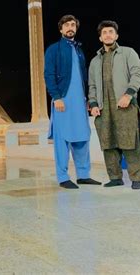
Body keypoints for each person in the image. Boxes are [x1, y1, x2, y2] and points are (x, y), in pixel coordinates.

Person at [44, 14, 101, 189]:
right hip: (63, 100)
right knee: (63, 139)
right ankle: (63, 177)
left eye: (73, 25)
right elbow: (49, 75)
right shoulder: (54, 49)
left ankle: (83, 175)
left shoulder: (79, 50)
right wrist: (57, 97)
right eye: (67, 25)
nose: (70, 28)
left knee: (82, 137)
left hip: (79, 101)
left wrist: (87, 100)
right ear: (61, 29)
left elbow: (83, 77)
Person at [88, 20, 140, 190]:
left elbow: (138, 74)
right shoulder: (94, 62)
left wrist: (129, 94)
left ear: (116, 35)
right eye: (104, 32)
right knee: (108, 143)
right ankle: (115, 177)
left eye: (111, 32)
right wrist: (93, 104)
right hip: (104, 108)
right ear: (100, 37)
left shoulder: (128, 53)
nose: (108, 35)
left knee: (130, 142)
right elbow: (91, 86)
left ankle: (136, 178)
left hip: (125, 105)